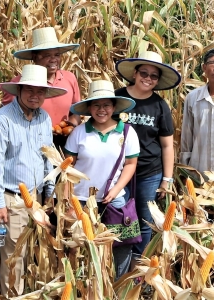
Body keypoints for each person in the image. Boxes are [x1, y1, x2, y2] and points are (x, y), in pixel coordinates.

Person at [0, 64, 67, 296]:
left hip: (38, 198)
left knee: (35, 254)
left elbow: (47, 157)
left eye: (40, 91)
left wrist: (50, 192)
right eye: (29, 89)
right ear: (19, 90)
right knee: (13, 258)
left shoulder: (44, 118)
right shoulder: (1, 121)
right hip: (13, 200)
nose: (35, 95)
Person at [64, 80, 139, 280]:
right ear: (89, 108)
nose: (101, 110)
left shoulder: (127, 132)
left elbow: (131, 164)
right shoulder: (79, 132)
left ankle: (116, 286)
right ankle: (85, 286)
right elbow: (68, 167)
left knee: (120, 246)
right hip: (81, 200)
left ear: (114, 107)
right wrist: (68, 200)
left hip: (113, 200)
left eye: (106, 105)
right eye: (96, 105)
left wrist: (116, 190)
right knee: (81, 248)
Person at [114, 51, 181, 264]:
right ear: (134, 73)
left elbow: (167, 145)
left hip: (149, 172)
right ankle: (119, 266)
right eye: (144, 73)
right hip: (118, 171)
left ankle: (138, 267)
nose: (148, 79)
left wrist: (167, 179)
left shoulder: (160, 106)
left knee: (145, 220)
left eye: (154, 76)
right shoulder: (117, 98)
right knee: (121, 218)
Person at [2, 27, 81, 148]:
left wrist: (71, 126)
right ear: (34, 57)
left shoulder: (70, 78)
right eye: (47, 55)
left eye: (57, 54)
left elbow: (76, 111)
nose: (53, 59)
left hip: (65, 144)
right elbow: (8, 119)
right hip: (31, 145)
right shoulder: (19, 84)